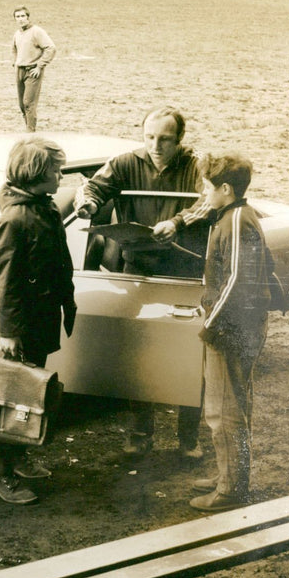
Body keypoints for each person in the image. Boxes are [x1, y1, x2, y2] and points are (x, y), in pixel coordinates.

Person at [75, 107, 210, 458]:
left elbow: (209, 199)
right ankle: (139, 434)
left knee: (189, 352)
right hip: (139, 269)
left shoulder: (197, 166)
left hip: (183, 271)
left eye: (165, 139)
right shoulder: (124, 162)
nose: (155, 145)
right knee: (139, 349)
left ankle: (187, 439)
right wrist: (87, 203)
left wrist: (178, 222)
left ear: (179, 140)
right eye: (149, 137)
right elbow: (92, 187)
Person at [0, 136, 77, 504]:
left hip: (41, 318)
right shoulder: (15, 219)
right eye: (56, 170)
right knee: (11, 394)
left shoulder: (43, 207)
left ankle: (17, 457)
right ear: (37, 173)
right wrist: (8, 333)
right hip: (21, 326)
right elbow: (5, 283)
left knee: (29, 393)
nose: (61, 176)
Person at [189, 154, 273, 512]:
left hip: (232, 330)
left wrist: (211, 325)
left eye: (209, 187)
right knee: (235, 404)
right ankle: (232, 473)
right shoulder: (233, 215)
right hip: (240, 326)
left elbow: (238, 280)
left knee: (223, 410)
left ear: (225, 189)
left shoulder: (236, 221)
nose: (205, 194)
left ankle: (231, 488)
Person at [11, 6, 56, 132]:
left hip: (33, 71)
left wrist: (40, 66)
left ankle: (30, 132)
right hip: (19, 71)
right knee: (21, 105)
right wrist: (15, 62)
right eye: (17, 17)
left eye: (23, 16)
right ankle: (28, 128)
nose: (20, 19)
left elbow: (51, 48)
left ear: (28, 17)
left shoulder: (37, 31)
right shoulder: (17, 33)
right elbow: (14, 49)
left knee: (28, 103)